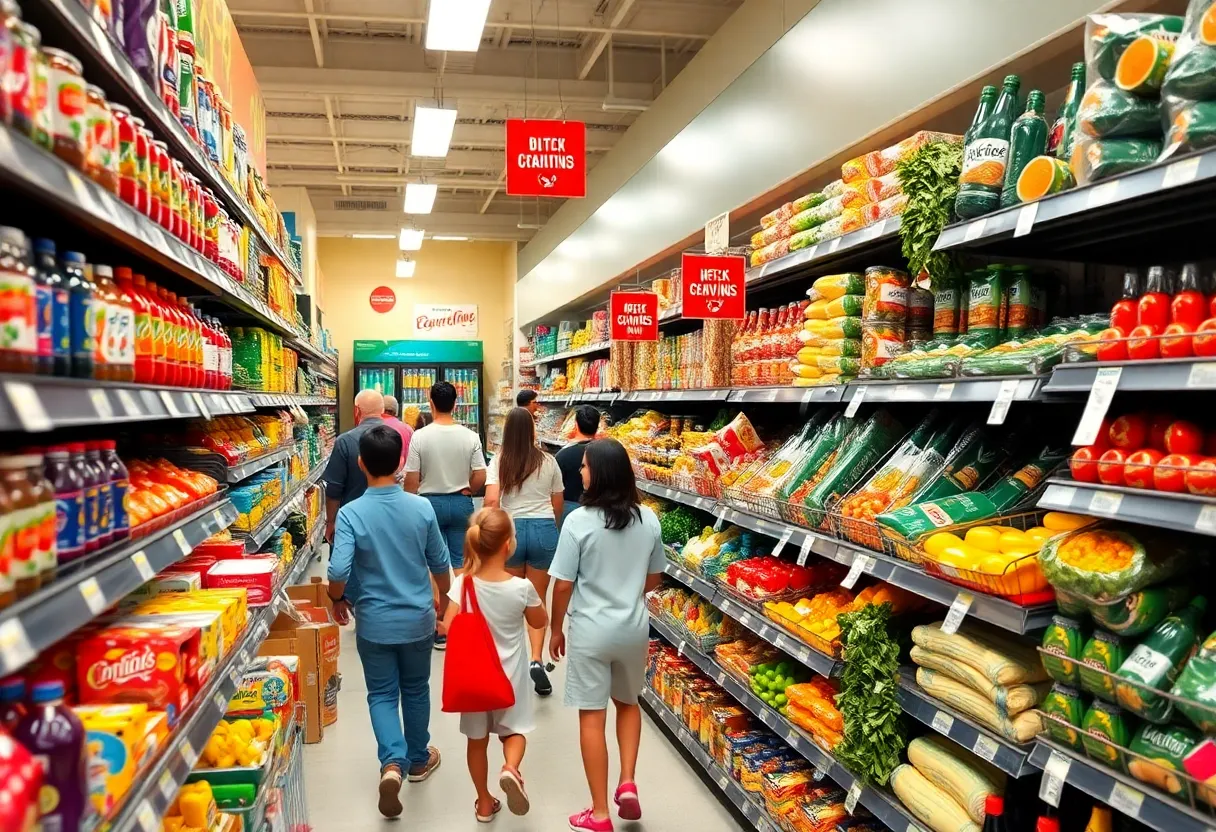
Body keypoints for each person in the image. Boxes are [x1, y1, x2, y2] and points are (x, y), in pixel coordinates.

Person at [326, 425, 452, 818]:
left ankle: (391, 765)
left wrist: (336, 598)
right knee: (416, 689)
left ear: (361, 464)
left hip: (374, 622)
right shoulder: (421, 508)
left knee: (381, 694)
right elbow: (441, 564)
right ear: (400, 463)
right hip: (416, 618)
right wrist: (443, 601)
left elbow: (338, 568)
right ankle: (417, 759)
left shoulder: (350, 513)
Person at [548, 438, 666, 832]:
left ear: (597, 474)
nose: (580, 472)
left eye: (583, 466)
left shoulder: (579, 521)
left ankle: (599, 813)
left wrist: (554, 629)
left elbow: (562, 585)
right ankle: (628, 782)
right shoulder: (648, 518)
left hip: (590, 630)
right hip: (633, 629)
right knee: (628, 704)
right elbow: (654, 579)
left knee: (591, 717)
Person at [439, 508, 547, 822]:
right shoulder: (521, 588)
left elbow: (448, 624)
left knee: (476, 741)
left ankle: (484, 802)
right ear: (508, 546)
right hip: (509, 677)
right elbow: (540, 621)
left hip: (473, 677)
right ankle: (511, 769)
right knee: (514, 732)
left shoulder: (464, 585)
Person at [484, 407, 562, 697]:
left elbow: (492, 500)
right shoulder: (549, 461)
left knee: (511, 600)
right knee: (537, 600)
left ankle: (509, 666)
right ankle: (536, 659)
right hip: (543, 530)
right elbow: (557, 503)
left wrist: (487, 530)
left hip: (511, 532)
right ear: (532, 431)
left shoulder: (500, 461)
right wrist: (549, 528)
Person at [404, 381, 487, 648]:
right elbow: (481, 475)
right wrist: (468, 489)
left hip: (428, 504)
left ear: (430, 402)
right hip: (460, 503)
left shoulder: (420, 436)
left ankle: (438, 623)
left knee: (433, 564)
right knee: (460, 563)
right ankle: (458, 620)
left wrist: (412, 501)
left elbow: (412, 479)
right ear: (455, 404)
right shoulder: (470, 436)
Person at [324, 389, 391, 545]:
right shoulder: (395, 437)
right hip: (388, 518)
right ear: (382, 410)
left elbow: (334, 488)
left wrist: (331, 523)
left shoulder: (345, 441)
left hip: (352, 521)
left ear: (357, 410)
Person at [554, 405, 599, 522]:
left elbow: (555, 489)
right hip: (599, 509)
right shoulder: (605, 453)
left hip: (569, 510)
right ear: (597, 426)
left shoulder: (562, 455)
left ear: (576, 425)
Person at [380, 394, 414, 471]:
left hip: (379, 479)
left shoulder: (374, 427)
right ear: (396, 411)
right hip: (403, 478)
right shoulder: (408, 429)